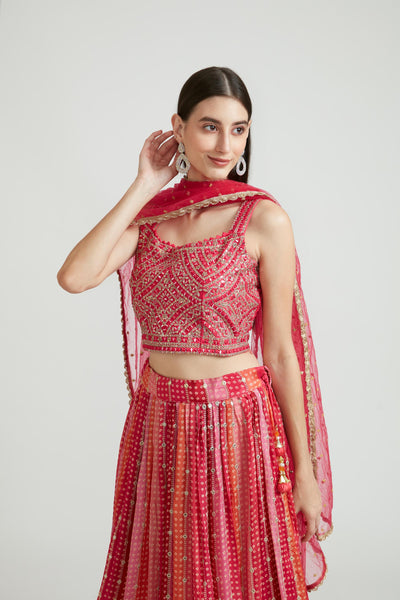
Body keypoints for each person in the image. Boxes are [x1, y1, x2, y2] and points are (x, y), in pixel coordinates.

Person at [57, 66, 333, 599]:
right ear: (178, 128)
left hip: (237, 423)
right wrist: (145, 185)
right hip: (157, 420)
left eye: (238, 129)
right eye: (209, 126)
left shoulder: (263, 219)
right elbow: (74, 277)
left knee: (235, 575)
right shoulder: (150, 220)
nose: (225, 145)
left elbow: (281, 352)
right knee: (169, 574)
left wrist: (305, 470)